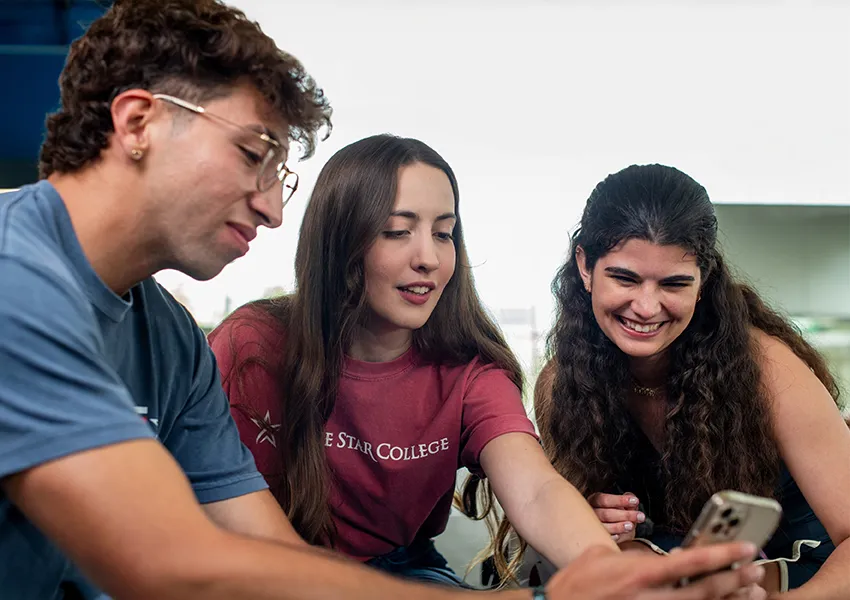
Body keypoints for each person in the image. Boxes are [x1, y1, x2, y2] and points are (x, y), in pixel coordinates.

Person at [0, 0, 765, 598]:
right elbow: (175, 565)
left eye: (445, 231)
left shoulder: (163, 334)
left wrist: (607, 570)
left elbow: (266, 554)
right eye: (253, 155)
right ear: (138, 122)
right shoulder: (18, 277)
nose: (271, 209)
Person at [210, 135, 764, 597]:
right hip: (264, 572)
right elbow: (215, 524)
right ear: (340, 239)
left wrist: (607, 567)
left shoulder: (470, 369)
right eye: (397, 231)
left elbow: (536, 488)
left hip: (405, 571)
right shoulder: (254, 345)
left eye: (445, 232)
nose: (428, 255)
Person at [529, 164, 850, 597]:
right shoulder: (562, 384)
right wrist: (584, 518)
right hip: (678, 577)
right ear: (585, 266)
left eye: (674, 283)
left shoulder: (768, 369)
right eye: (624, 278)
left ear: (703, 283)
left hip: (806, 574)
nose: (646, 307)